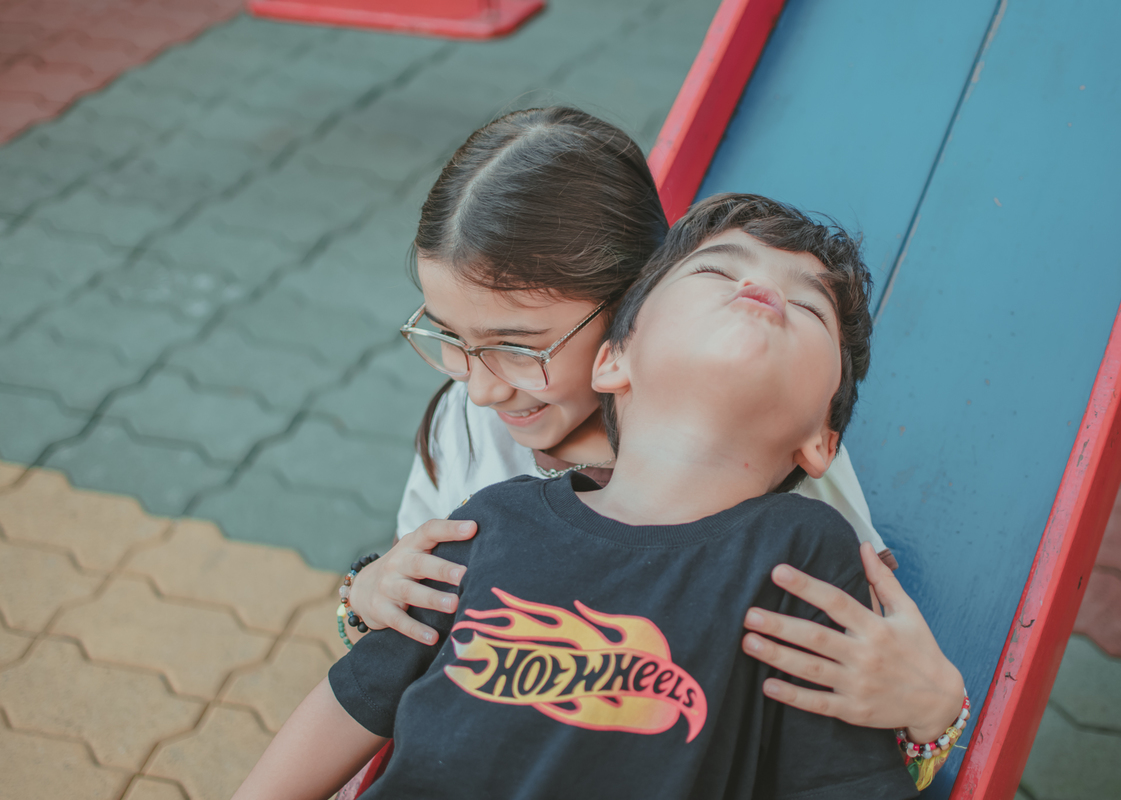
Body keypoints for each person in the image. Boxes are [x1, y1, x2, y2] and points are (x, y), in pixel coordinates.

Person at [233, 194, 924, 800]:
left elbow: (840, 779)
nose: (761, 288)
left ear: (822, 441)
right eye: (717, 271)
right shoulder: (492, 519)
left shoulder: (804, 555)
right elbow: (353, 698)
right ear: (613, 359)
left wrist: (934, 711)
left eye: (808, 305)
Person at [349, 108, 966, 771]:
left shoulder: (777, 464)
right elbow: (402, 637)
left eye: (519, 349)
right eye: (448, 336)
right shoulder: (468, 423)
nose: (480, 390)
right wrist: (366, 596)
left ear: (633, 313)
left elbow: (861, 684)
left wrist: (934, 711)